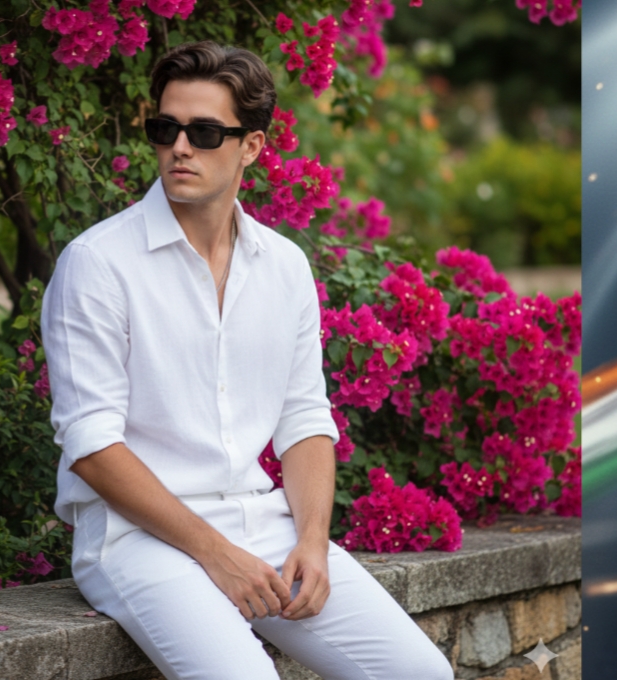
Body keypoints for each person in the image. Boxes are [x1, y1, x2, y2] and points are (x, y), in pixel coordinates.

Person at [40, 41, 455, 680]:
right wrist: (216, 554)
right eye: (165, 128)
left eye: (205, 132)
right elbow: (91, 445)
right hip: (135, 540)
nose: (180, 147)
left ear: (252, 146)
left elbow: (304, 418)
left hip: (264, 524)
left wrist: (312, 541)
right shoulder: (97, 264)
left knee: (421, 675)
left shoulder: (284, 265)